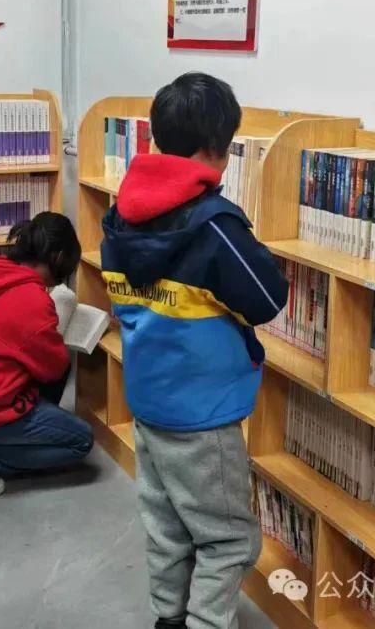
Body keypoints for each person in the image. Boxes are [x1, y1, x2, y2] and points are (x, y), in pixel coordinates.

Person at [100, 73, 289, 629]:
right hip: (203, 414)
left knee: (166, 527)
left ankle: (169, 617)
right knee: (228, 539)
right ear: (216, 149)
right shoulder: (214, 226)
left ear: (157, 138)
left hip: (148, 400)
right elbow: (266, 299)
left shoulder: (119, 214)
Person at [0, 212, 93, 499]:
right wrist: (56, 335)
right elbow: (53, 368)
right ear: (58, 258)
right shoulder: (33, 300)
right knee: (81, 441)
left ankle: (3, 438)